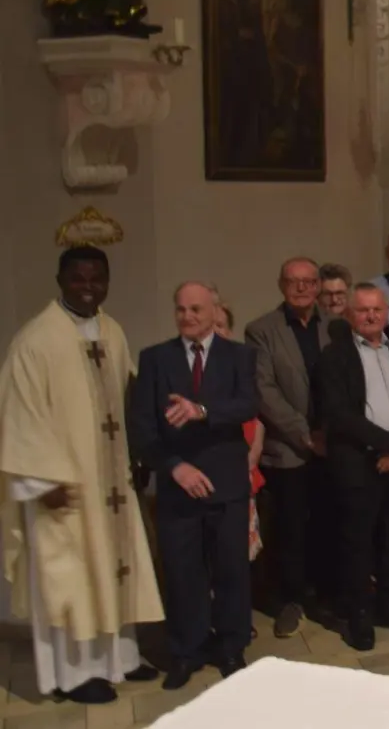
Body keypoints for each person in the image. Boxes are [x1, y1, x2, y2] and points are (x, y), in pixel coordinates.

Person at [0, 247, 163, 704]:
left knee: (114, 571)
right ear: (60, 280)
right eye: (78, 278)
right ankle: (73, 676)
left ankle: (119, 659)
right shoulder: (36, 340)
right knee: (71, 581)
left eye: (97, 279)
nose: (88, 287)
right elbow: (18, 416)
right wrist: (40, 484)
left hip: (110, 486)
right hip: (62, 489)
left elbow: (128, 396)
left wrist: (141, 453)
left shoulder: (112, 331)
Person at [131, 281, 260, 687]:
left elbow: (248, 404)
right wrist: (174, 467)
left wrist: (201, 410)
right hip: (178, 485)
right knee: (183, 572)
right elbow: (142, 428)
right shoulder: (155, 358)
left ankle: (232, 647)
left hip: (227, 484)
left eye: (196, 309)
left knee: (231, 571)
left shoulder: (239, 356)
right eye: (181, 309)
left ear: (215, 311)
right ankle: (186, 651)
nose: (187, 316)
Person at [314, 284, 389, 651]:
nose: (371, 316)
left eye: (377, 309)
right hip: (359, 462)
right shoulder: (335, 355)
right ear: (350, 314)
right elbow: (339, 414)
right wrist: (387, 443)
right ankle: (359, 614)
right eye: (363, 310)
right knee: (358, 542)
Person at [245, 256, 333, 638]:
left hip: (332, 445)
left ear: (318, 286)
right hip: (288, 449)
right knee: (290, 529)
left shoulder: (336, 326)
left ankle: (322, 593)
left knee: (327, 524)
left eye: (308, 281)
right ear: (281, 285)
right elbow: (264, 390)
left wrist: (330, 432)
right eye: (293, 281)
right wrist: (304, 434)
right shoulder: (261, 330)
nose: (301, 288)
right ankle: (290, 600)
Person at [215, 302, 266, 564]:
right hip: (208, 476)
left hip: (243, 472)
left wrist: (255, 449)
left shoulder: (242, 366)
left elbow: (257, 418)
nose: (215, 331)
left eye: (220, 325)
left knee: (241, 557)